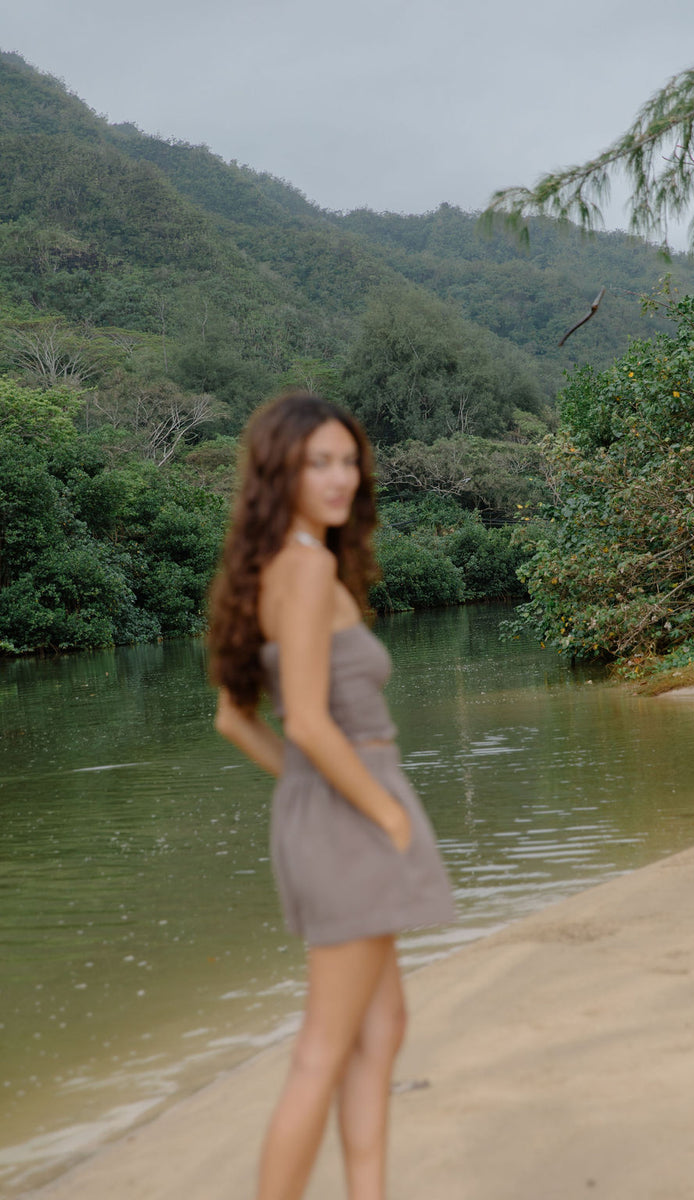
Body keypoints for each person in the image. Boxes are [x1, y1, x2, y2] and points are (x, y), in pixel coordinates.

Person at [207, 391, 454, 1200]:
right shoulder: (306, 569)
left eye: (349, 460)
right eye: (320, 462)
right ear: (280, 470)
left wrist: (313, 796)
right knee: (326, 1044)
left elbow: (233, 720)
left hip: (334, 807)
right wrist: (378, 812)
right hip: (356, 811)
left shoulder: (279, 563)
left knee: (382, 1027)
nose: (341, 477)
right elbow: (308, 723)